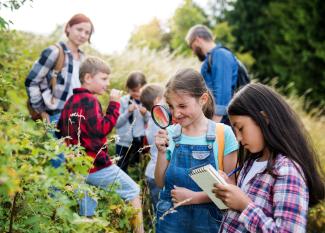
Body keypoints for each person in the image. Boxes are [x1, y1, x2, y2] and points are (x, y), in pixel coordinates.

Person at [213, 83, 325, 232]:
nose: (238, 138)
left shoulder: (287, 171)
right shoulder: (251, 163)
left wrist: (245, 206)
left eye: (240, 128)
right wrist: (229, 192)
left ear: (264, 118)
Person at [56, 57, 144, 233]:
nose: (108, 82)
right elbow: (102, 130)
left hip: (77, 168)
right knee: (133, 191)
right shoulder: (90, 101)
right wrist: (114, 104)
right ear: (88, 78)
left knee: (87, 212)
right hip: (95, 166)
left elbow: (59, 130)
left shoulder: (70, 101)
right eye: (104, 79)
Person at [154, 68, 238, 233]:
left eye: (183, 105)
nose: (176, 113)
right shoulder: (170, 133)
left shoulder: (223, 134)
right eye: (171, 106)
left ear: (203, 99)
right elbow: (160, 182)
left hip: (208, 222)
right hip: (171, 220)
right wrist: (162, 152)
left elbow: (231, 187)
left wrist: (193, 198)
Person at [25, 13, 94, 124]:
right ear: (68, 28)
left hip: (75, 117)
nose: (83, 35)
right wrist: (41, 111)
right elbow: (31, 81)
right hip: (55, 116)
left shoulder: (83, 59)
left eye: (87, 33)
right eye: (79, 29)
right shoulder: (55, 52)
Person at [186, 24, 238, 125]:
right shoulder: (211, 59)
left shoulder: (220, 55)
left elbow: (222, 97)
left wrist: (212, 129)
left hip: (224, 123)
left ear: (198, 40)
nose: (193, 52)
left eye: (191, 46)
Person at [115, 71, 149, 173]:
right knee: (121, 167)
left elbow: (150, 122)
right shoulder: (123, 101)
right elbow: (117, 124)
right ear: (128, 89)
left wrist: (145, 114)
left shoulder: (147, 102)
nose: (137, 94)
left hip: (139, 141)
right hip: (123, 141)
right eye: (134, 91)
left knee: (138, 167)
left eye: (140, 91)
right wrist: (127, 112)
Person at [140, 83, 164, 212]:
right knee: (162, 211)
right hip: (157, 174)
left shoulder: (151, 119)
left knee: (158, 210)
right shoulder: (159, 120)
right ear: (157, 101)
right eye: (164, 98)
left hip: (152, 172)